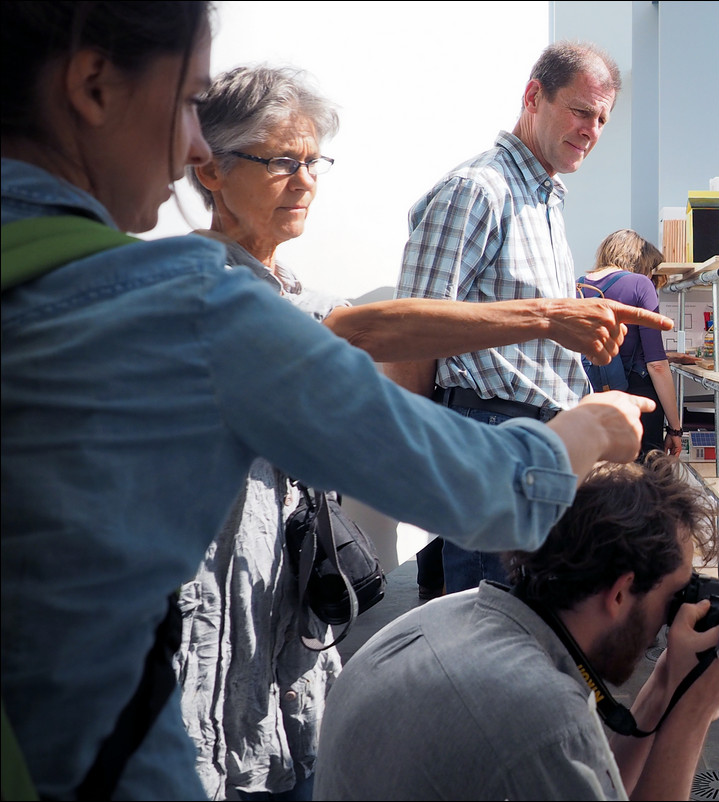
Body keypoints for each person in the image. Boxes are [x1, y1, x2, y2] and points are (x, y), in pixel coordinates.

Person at [0, 4, 653, 799]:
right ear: (93, 85)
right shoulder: (192, 308)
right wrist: (583, 432)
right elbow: (478, 482)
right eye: (185, 102)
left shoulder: (101, 291)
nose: (191, 144)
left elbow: (353, 324)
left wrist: (546, 318)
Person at [176, 63, 673, 801]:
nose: (305, 180)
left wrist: (551, 322)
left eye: (313, 162)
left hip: (288, 635)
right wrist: (554, 348)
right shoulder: (205, 295)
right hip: (223, 643)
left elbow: (364, 322)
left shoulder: (286, 292)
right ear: (207, 170)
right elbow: (372, 330)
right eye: (282, 161)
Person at [314, 453, 719, 800]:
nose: (673, 618)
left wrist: (666, 688)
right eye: (674, 596)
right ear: (619, 593)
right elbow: (550, 736)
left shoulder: (455, 614)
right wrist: (693, 711)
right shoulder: (542, 713)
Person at [388, 40, 625, 594]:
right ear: (533, 97)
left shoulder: (544, 199)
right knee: (490, 638)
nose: (591, 129)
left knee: (527, 637)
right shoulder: (478, 189)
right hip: (490, 443)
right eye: (580, 110)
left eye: (602, 118)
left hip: (534, 446)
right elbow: (411, 332)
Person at [579, 229, 685, 458]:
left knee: (601, 478)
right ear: (640, 261)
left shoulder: (579, 286)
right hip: (637, 399)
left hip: (591, 398)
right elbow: (656, 365)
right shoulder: (639, 283)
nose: (650, 277)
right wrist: (675, 428)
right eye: (650, 270)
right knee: (640, 483)